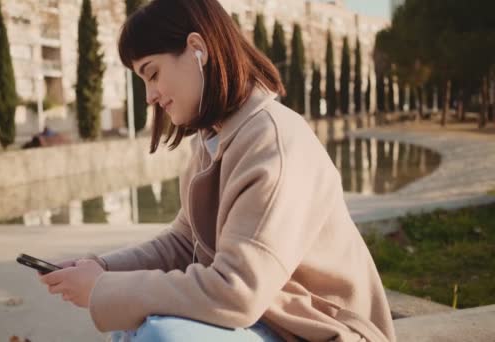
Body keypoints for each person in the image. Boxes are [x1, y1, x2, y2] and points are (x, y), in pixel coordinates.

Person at [38, 0, 396, 341]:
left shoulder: (273, 142)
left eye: (153, 73)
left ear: (198, 48)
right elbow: (184, 241)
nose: (149, 96)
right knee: (134, 323)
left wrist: (103, 289)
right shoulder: (214, 139)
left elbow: (237, 292)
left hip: (321, 331)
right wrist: (99, 268)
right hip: (272, 319)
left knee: (159, 335)